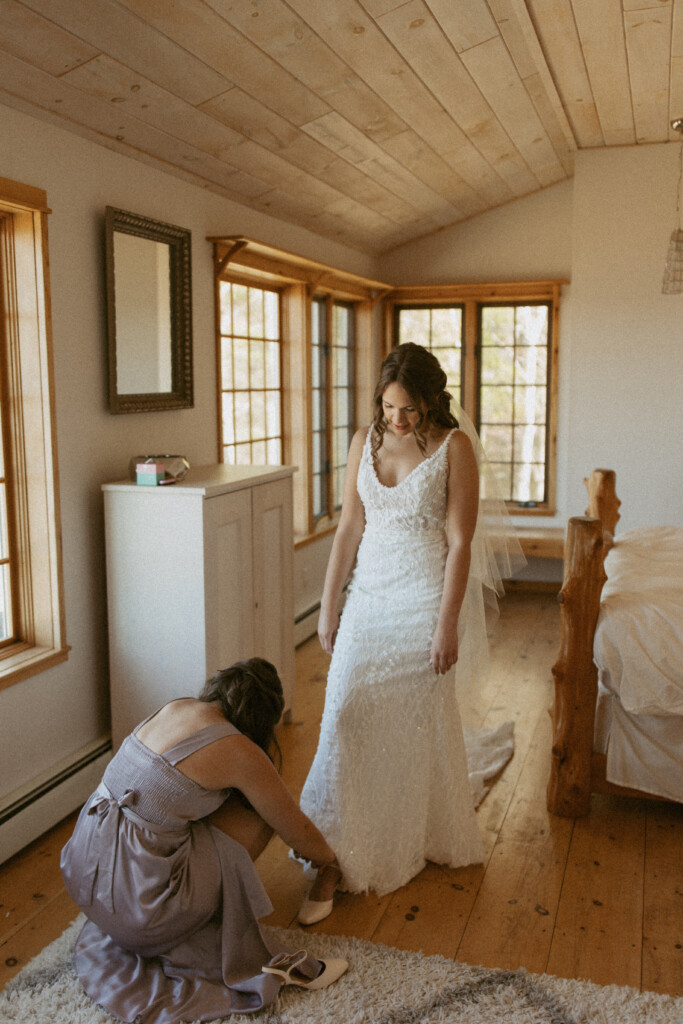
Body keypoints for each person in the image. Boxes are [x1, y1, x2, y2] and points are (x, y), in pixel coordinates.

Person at [297, 343, 525, 922]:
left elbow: (459, 543)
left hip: (423, 601)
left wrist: (447, 625)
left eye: (409, 410)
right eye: (389, 406)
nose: (396, 420)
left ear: (429, 402)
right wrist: (327, 609)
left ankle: (402, 835)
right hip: (368, 599)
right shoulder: (362, 442)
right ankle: (332, 851)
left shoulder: (455, 448)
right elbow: (349, 529)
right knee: (345, 711)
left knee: (410, 723)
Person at [61, 658, 348, 1024]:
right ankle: (192, 916)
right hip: (139, 914)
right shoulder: (240, 750)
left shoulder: (176, 707)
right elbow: (297, 830)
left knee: (189, 808)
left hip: (87, 876)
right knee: (262, 811)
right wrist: (331, 860)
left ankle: (165, 899)